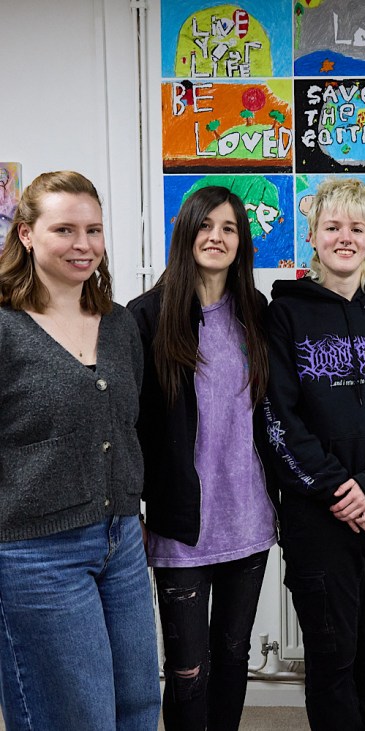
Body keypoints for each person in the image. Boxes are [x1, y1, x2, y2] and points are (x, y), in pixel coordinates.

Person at [0, 171, 160, 729]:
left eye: (93, 230)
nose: (83, 245)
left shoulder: (118, 324)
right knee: (77, 716)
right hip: (36, 551)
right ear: (25, 234)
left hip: (120, 542)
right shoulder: (6, 327)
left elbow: (128, 421)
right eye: (64, 229)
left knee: (139, 707)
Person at [263, 177, 365, 731]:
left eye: (357, 228)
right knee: (333, 657)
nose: (345, 238)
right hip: (319, 513)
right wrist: (339, 491)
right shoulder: (283, 315)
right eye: (333, 227)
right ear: (313, 236)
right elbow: (278, 418)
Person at [128, 186, 277, 730]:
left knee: (233, 660)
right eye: (206, 226)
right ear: (185, 233)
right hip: (181, 526)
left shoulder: (256, 313)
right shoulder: (145, 317)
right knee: (188, 671)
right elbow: (133, 424)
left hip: (248, 519)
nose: (216, 237)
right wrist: (138, 509)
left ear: (242, 242)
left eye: (229, 228)